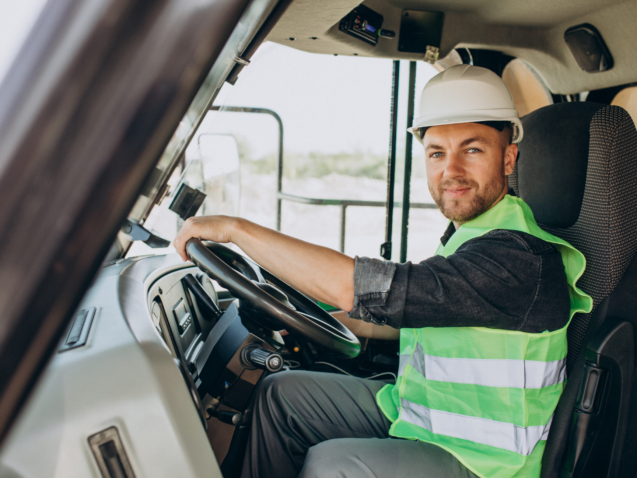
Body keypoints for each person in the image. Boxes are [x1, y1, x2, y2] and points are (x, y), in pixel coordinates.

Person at [173, 65, 592, 478]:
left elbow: (365, 288)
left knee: (333, 466)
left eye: (473, 149)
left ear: (509, 158)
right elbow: (419, 312)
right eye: (437, 153)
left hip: (486, 461)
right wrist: (314, 324)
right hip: (424, 414)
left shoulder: (518, 257)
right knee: (281, 394)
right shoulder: (474, 237)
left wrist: (234, 229)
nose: (452, 171)